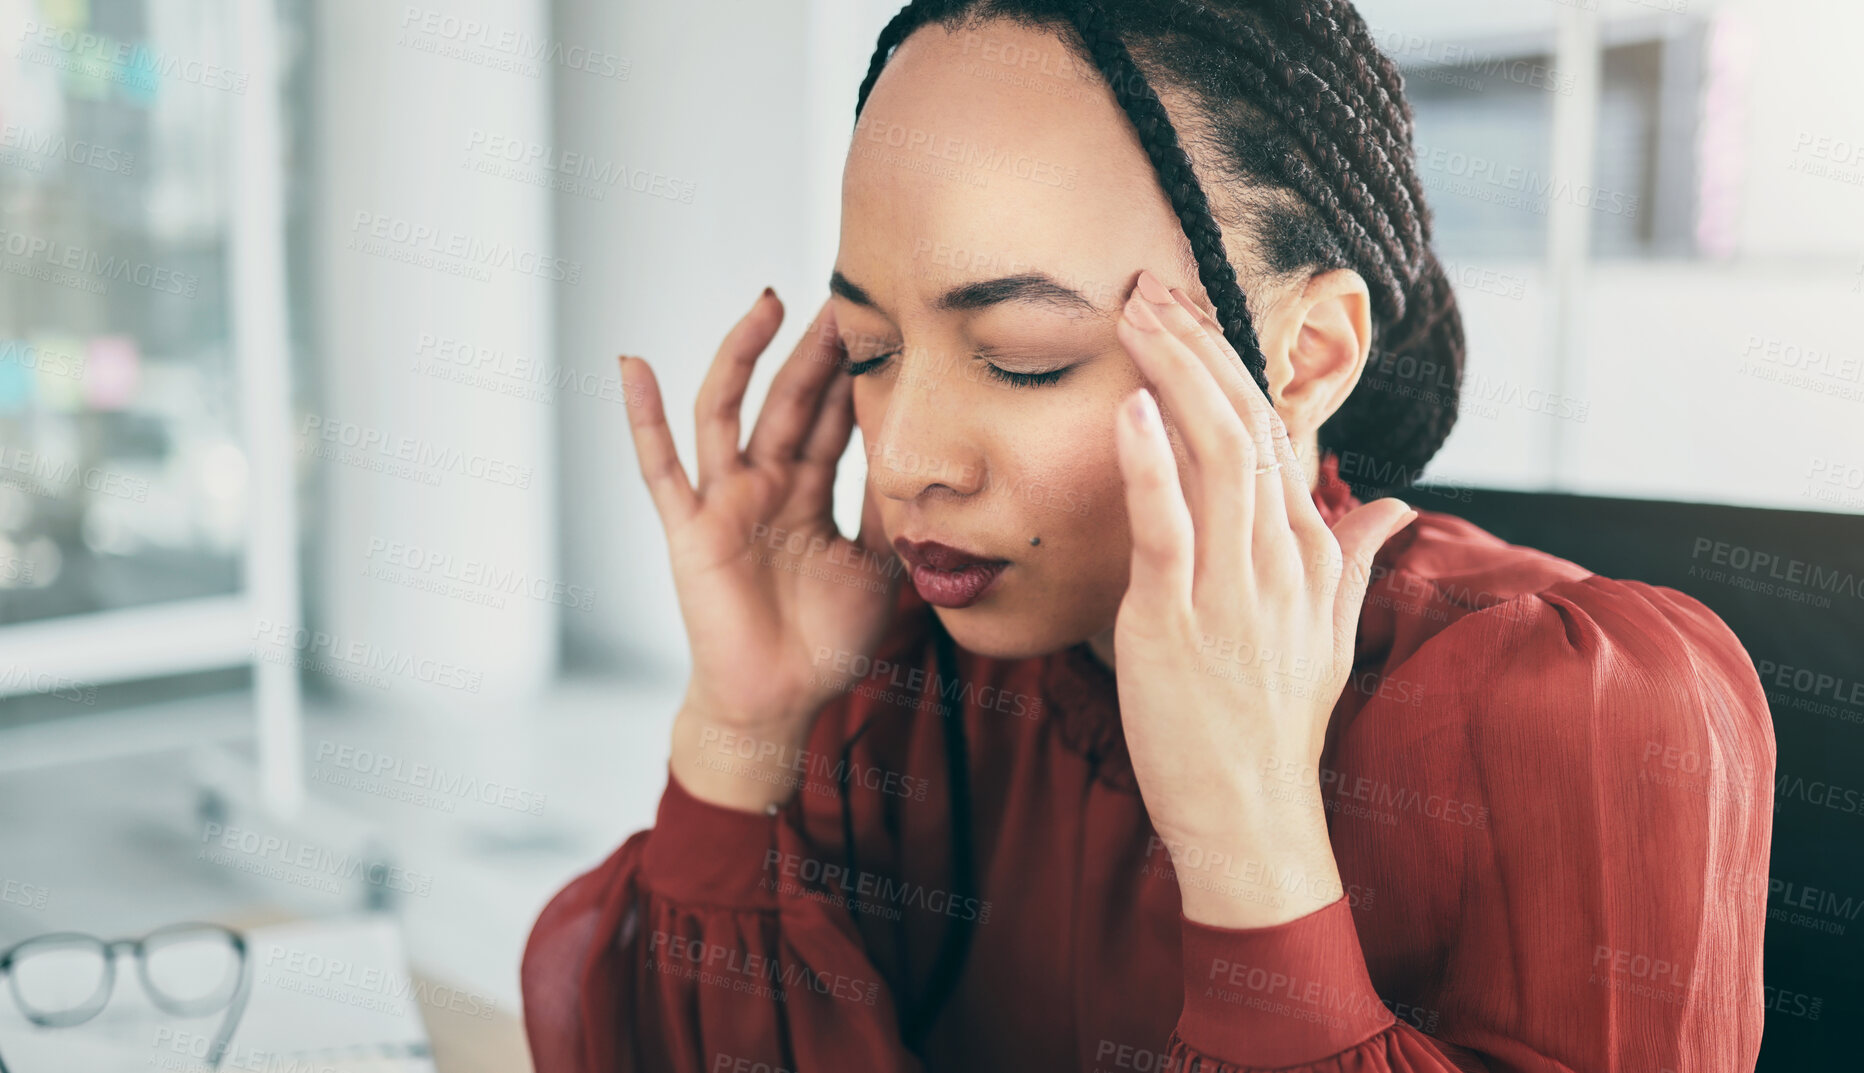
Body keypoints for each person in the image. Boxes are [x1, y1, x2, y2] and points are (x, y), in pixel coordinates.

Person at [521, 3, 1775, 1070]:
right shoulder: (902, 667)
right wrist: (739, 728)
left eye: (1024, 359)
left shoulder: (1593, 711)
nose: (901, 461)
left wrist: (1252, 849)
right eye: (869, 350)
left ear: (1307, 352)